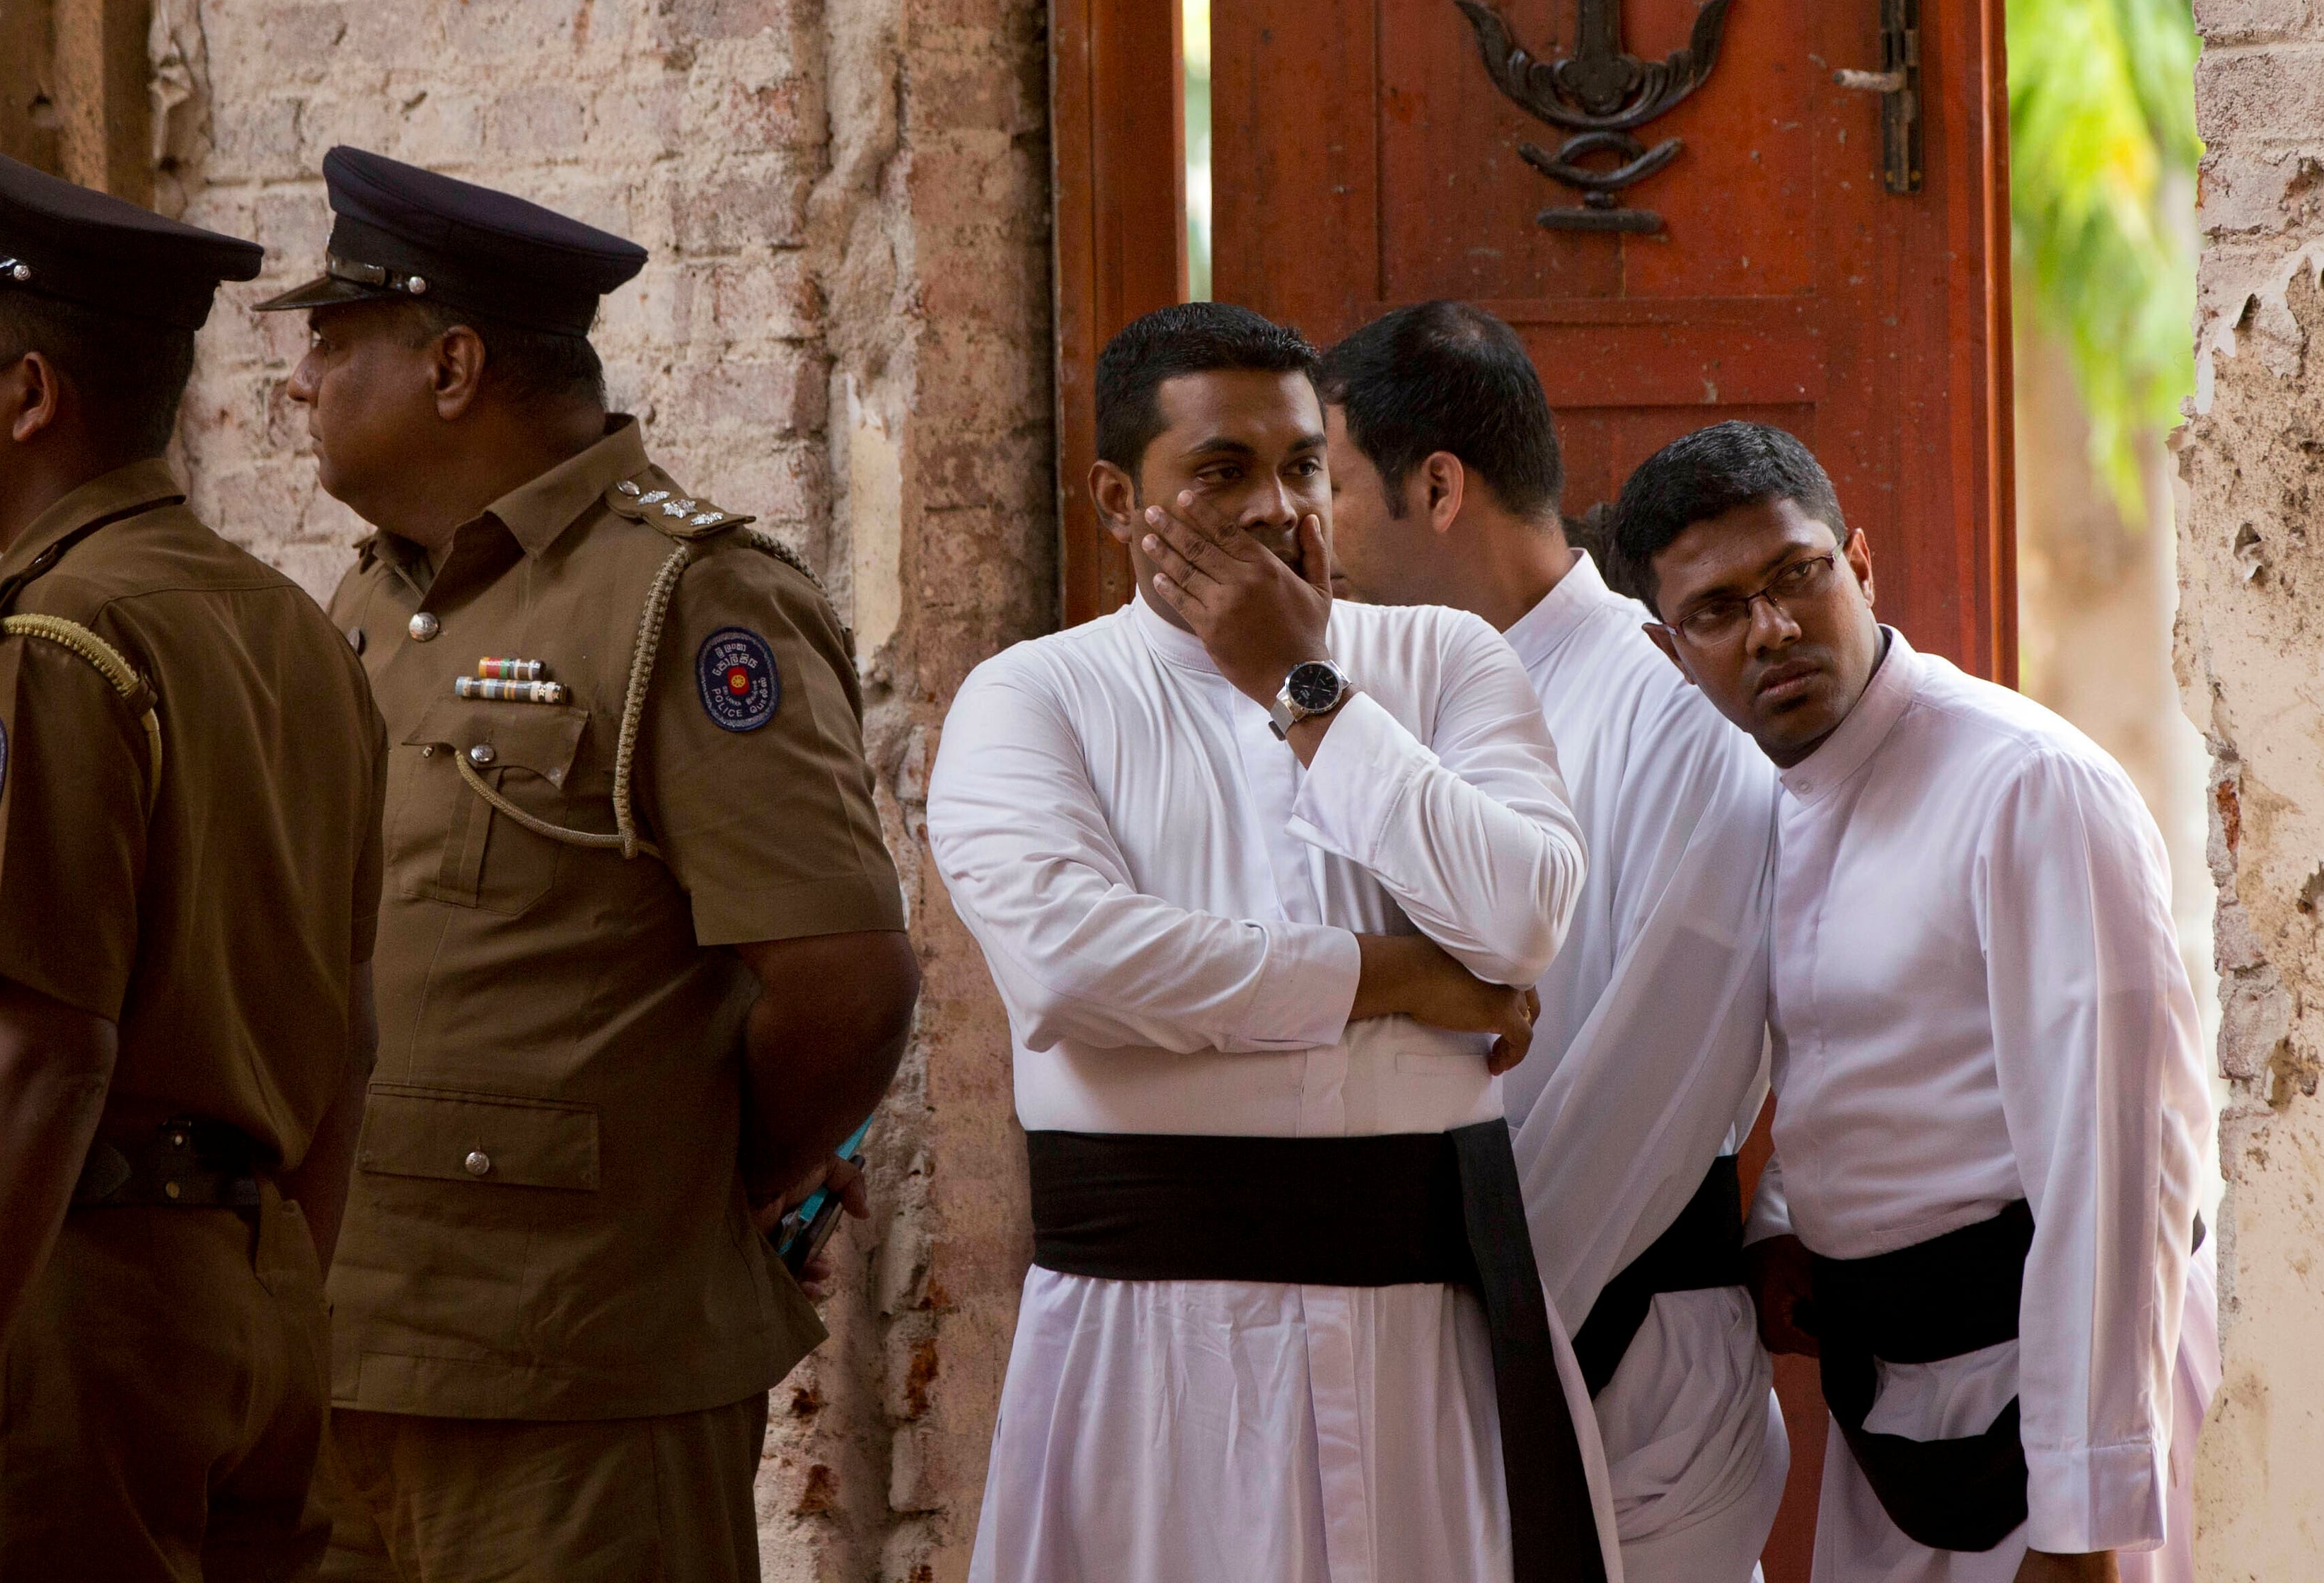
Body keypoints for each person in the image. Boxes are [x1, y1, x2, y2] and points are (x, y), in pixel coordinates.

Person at [265, 145, 918, 1583]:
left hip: (576, 1373)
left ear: (451, 367)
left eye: (332, 340)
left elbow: (844, 983)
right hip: (349, 1345)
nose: (301, 382)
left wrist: (716, 1189)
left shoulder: (688, 597)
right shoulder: (370, 600)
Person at [929, 300, 1618, 1583]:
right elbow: (1076, 968)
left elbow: (1524, 916)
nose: (1274, 508)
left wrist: (1310, 694)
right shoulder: (1034, 697)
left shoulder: (1444, 660)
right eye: (1221, 472)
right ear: (1118, 501)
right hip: (1152, 1352)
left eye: (1303, 466)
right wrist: (1397, 977)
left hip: (1422, 1342)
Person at [0, 122, 388, 1583]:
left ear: (33, 396)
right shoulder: (293, 630)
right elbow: (348, 1038)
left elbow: (48, 1056)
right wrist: (275, 1279)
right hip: (260, 1288)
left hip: (87, 1303)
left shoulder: (55, 641)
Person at [1609, 423, 2218, 1583]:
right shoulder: (1765, 804)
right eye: (1718, 610)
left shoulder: (2027, 787)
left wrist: (2084, 1520)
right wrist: (1786, 1226)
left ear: (1861, 564)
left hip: (2071, 1411)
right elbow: (1847, 1050)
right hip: (1895, 1410)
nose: (1772, 629)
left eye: (1797, 575)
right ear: (1668, 650)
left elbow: (2122, 1162)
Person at [1318, 303, 1788, 1583]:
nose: (1310, 528)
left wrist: (1461, 1353)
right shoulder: (1380, 705)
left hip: (1613, 1357)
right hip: (1430, 1345)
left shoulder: (1672, 712)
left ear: (1439, 487)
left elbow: (1653, 1082)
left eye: (1332, 484)